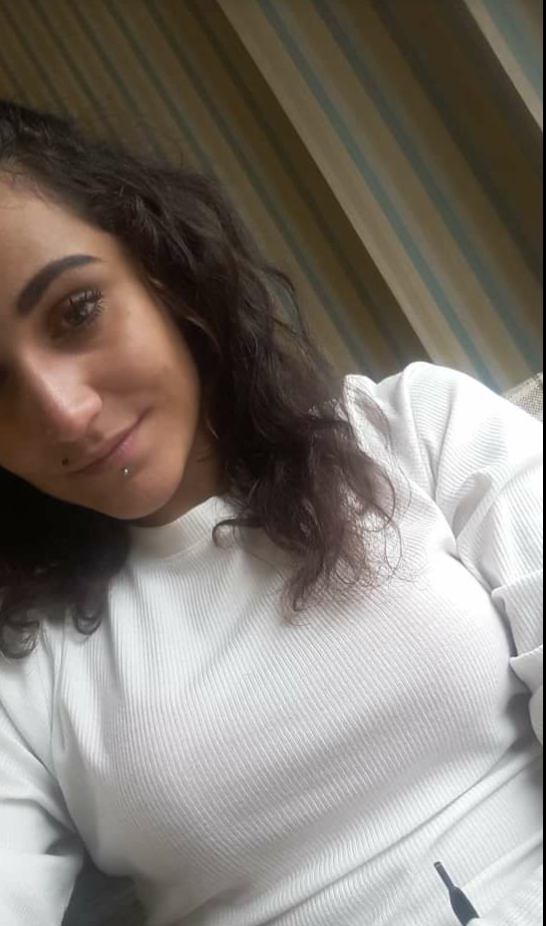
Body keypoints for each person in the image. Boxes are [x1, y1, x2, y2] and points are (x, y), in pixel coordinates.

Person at [0, 100, 542, 926]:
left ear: (159, 272)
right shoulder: (24, 671)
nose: (65, 413)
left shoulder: (420, 429)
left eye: (77, 311)